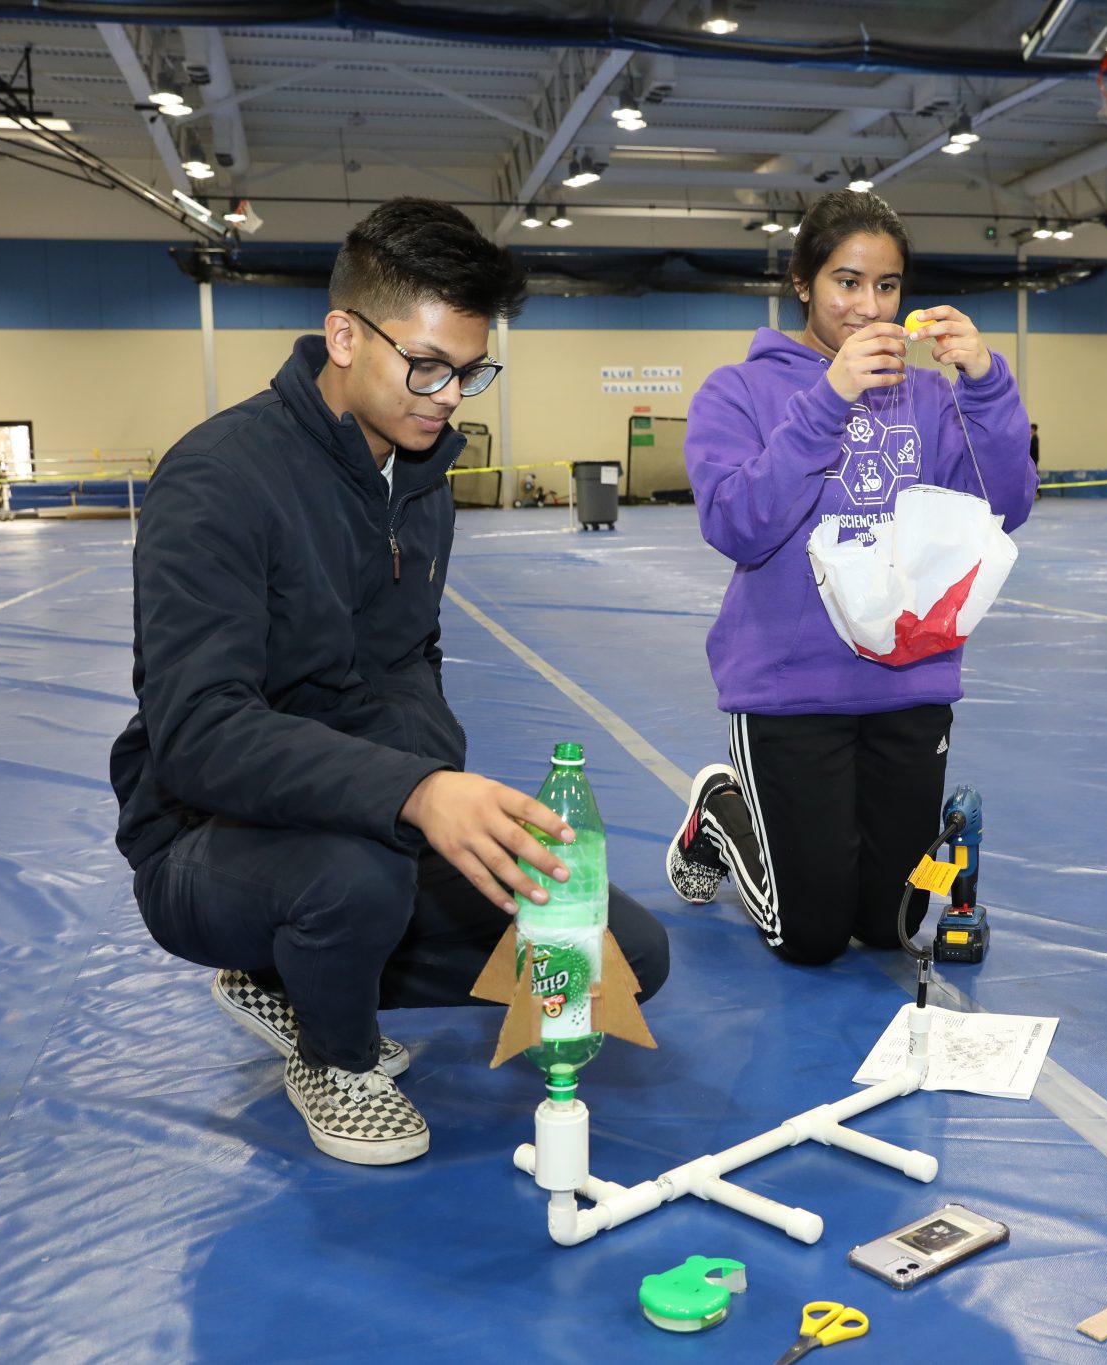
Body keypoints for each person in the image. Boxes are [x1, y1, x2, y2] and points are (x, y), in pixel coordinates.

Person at [111, 198, 669, 1166]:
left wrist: (433, 796)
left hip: (368, 818)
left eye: (468, 371)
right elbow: (198, 732)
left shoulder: (414, 477)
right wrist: (414, 794)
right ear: (342, 335)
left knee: (607, 958)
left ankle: (294, 978)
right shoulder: (215, 482)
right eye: (425, 367)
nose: (448, 396)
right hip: (207, 841)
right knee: (352, 879)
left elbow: (409, 661)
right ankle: (336, 1055)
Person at [663, 190, 1034, 964]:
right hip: (790, 688)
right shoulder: (737, 392)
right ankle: (721, 811)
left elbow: (1005, 505)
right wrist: (830, 397)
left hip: (910, 680)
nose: (869, 306)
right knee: (812, 935)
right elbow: (738, 525)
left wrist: (988, 382)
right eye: (847, 282)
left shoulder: (932, 396)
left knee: (891, 924)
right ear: (802, 282)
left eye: (888, 285)